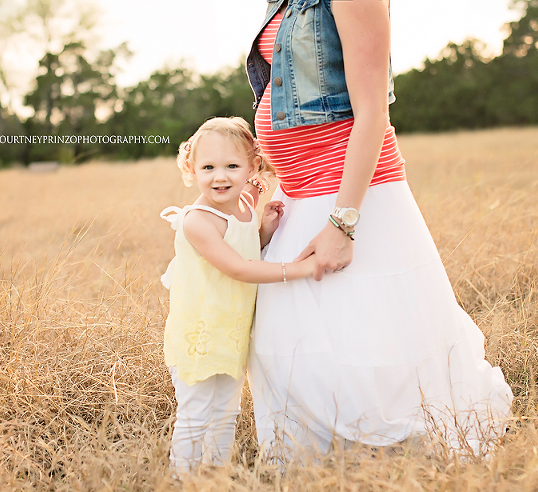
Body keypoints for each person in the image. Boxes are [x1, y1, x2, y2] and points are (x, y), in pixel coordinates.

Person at [245, 0, 513, 458]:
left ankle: (386, 461)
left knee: (369, 346)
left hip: (345, 196)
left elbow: (372, 112)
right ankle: (329, 466)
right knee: (289, 344)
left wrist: (344, 222)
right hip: (298, 191)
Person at [160, 117, 318, 474]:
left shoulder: (244, 207)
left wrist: (262, 231)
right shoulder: (197, 221)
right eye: (208, 167)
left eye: (232, 166)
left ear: (252, 166)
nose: (220, 176)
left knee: (226, 410)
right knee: (196, 412)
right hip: (198, 334)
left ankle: (216, 474)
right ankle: (182, 478)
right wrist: (298, 269)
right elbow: (239, 268)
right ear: (191, 169)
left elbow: (244, 250)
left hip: (231, 332)